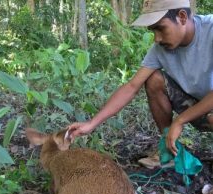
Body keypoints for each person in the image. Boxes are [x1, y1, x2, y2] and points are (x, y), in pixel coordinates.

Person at [69, 0, 213, 157]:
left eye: (161, 28)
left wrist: (180, 120)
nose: (157, 38)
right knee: (153, 79)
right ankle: (169, 150)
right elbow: (132, 87)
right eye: (153, 31)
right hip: (198, 108)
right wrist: (91, 124)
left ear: (182, 17)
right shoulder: (160, 48)